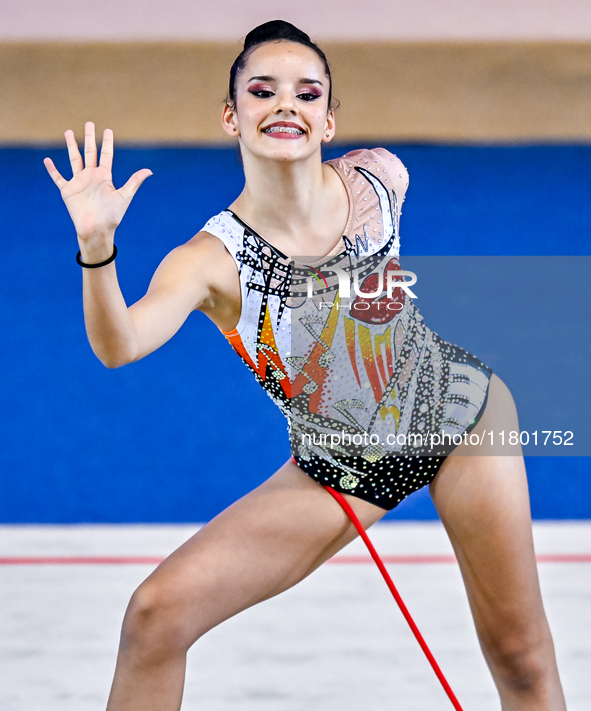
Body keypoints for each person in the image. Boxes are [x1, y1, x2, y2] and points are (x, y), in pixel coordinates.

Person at [44, 19, 566, 711]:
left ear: (327, 119)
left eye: (306, 92)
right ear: (232, 116)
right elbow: (119, 345)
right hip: (337, 464)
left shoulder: (378, 176)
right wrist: (97, 248)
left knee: (521, 658)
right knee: (154, 616)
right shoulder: (207, 261)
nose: (285, 104)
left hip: (458, 412)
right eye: (262, 91)